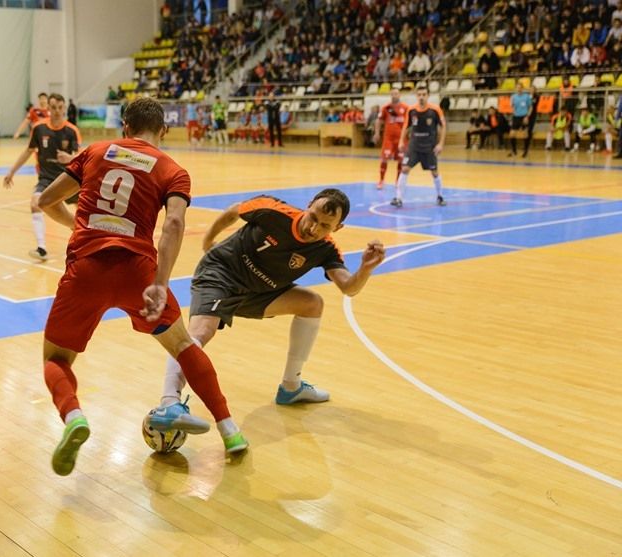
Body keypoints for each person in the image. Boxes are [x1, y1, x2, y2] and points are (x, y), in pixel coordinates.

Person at [35, 97, 248, 476]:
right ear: (163, 131)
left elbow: (46, 200)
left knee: (56, 359)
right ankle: (229, 429)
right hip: (139, 273)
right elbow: (174, 226)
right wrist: (161, 283)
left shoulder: (97, 151)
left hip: (87, 268)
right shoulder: (173, 170)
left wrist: (76, 227)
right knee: (183, 345)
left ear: (125, 127)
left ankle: (74, 418)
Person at [158, 189, 385, 411]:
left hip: (258, 294)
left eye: (325, 226)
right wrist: (208, 242)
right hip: (222, 273)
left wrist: (365, 268)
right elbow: (233, 212)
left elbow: (349, 288)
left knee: (312, 303)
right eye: (313, 217)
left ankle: (291, 387)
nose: (313, 228)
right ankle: (169, 401)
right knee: (200, 333)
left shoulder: (326, 249)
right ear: (308, 206)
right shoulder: (273, 210)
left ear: (338, 228)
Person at [3, 93, 82, 261]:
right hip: (46, 179)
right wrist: (11, 172)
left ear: (64, 108)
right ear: (48, 108)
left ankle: (82, 238)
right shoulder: (39, 129)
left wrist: (70, 159)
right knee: (35, 203)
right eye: (53, 107)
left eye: (60, 108)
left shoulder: (72, 131)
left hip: (69, 179)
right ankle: (42, 248)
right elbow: (28, 151)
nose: (57, 111)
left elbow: (81, 157)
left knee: (83, 212)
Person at [391, 85, 446, 208]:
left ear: (428, 95)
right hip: (414, 146)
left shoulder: (435, 110)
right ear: (416, 96)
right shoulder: (411, 110)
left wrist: (440, 144)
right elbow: (406, 126)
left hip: (429, 147)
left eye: (424, 94)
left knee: (435, 172)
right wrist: (401, 141)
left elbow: (443, 126)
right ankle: (399, 198)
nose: (421, 97)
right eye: (419, 95)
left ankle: (440, 196)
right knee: (404, 169)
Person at [373, 88, 409, 190]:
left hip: (401, 139)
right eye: (392, 94)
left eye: (396, 94)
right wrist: (377, 133)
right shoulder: (386, 108)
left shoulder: (405, 108)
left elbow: (409, 123)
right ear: (390, 95)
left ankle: (398, 181)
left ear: (400, 95)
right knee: (384, 158)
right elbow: (378, 121)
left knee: (401, 160)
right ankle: (381, 180)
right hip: (388, 138)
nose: (394, 96)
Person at [509, 82, 532, 156]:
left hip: (524, 116)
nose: (519, 89)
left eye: (520, 87)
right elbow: (512, 106)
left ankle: (525, 151)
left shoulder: (527, 96)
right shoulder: (513, 97)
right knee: (512, 134)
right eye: (517, 87)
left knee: (525, 134)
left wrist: (527, 116)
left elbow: (530, 107)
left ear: (522, 88)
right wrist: (513, 112)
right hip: (516, 117)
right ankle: (514, 150)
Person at [521, 85, 541, 158]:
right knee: (524, 132)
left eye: (533, 89)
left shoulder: (537, 97)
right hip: (524, 115)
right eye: (530, 89)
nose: (531, 90)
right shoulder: (526, 96)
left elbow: (533, 104)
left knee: (529, 131)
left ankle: (526, 149)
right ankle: (525, 146)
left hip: (532, 116)